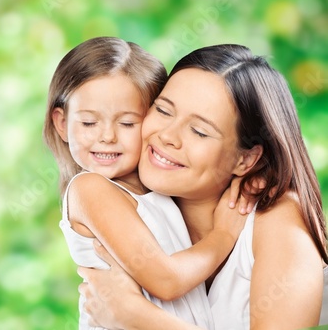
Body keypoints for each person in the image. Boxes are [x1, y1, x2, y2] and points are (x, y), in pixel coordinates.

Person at [77, 44, 328, 329]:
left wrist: (137, 318)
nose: (168, 136)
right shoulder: (122, 202)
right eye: (163, 110)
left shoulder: (277, 218)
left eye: (199, 131)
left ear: (245, 159)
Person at [43, 37, 257, 329]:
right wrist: (223, 236)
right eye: (89, 123)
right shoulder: (89, 189)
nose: (107, 136)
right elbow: (166, 281)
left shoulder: (162, 190)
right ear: (61, 123)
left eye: (128, 123)